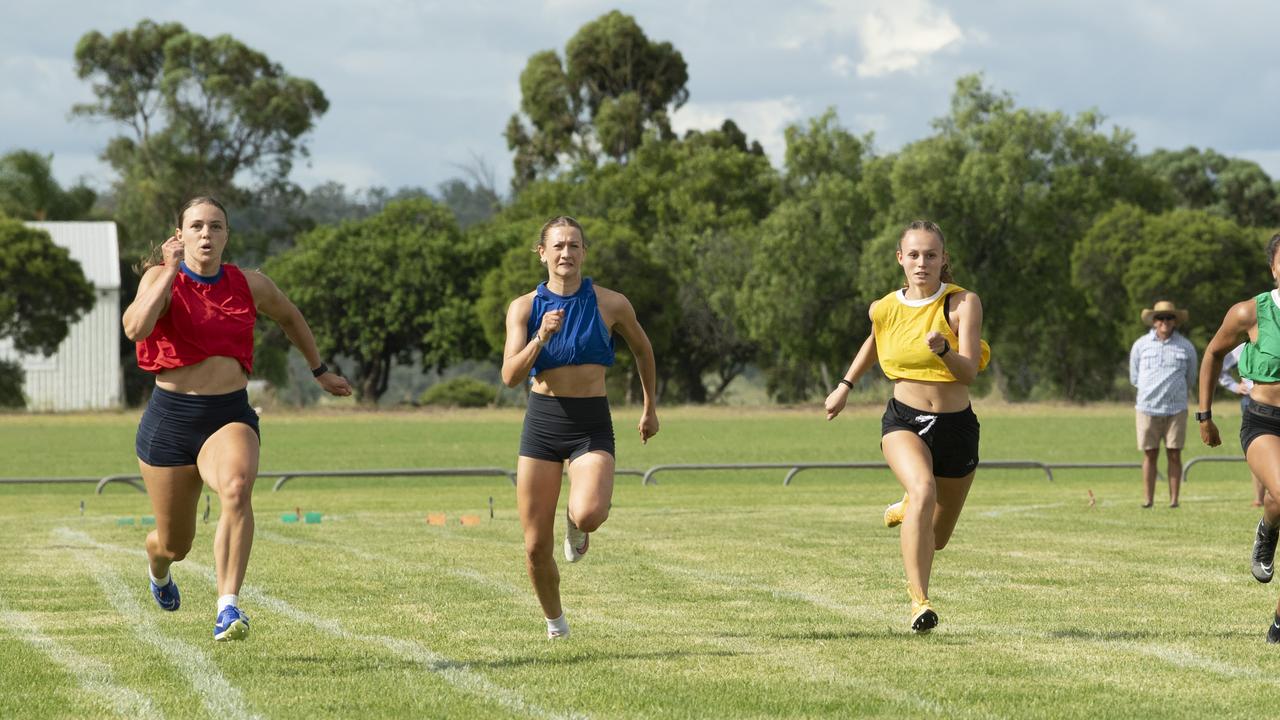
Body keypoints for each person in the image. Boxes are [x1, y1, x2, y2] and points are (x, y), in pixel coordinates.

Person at [122, 196, 352, 641]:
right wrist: (169, 271)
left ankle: (228, 606)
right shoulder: (159, 278)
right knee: (175, 544)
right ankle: (158, 566)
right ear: (180, 234)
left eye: (216, 227)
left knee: (236, 488)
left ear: (227, 235)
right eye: (196, 227)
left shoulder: (250, 284)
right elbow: (135, 329)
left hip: (227, 415)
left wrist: (318, 369)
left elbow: (289, 316)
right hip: (169, 421)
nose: (206, 234)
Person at [824, 220, 989, 633]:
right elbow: (876, 338)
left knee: (936, 539)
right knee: (922, 489)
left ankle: (906, 509)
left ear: (943, 259)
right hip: (904, 419)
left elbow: (968, 372)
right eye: (913, 255)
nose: (922, 263)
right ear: (900, 258)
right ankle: (920, 602)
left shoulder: (962, 304)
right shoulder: (884, 307)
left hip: (957, 426)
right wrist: (845, 386)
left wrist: (945, 350)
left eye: (931, 255)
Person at [500, 216, 659, 639]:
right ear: (542, 253)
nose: (566, 253)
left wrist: (649, 407)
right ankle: (556, 625)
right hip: (543, 423)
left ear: (584, 253)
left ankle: (576, 522)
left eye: (574, 246)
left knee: (589, 513)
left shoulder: (612, 304)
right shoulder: (524, 308)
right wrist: (540, 338)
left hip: (590, 423)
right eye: (558, 246)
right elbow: (510, 377)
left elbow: (643, 352)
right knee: (535, 547)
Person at [1199, 232, 1280, 642]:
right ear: (1273, 267)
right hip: (1264, 421)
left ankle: (1268, 527)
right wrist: (1205, 416)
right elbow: (1213, 354)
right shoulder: (1250, 312)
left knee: (1277, 499)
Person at [1130, 301, 1197, 508]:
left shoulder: (1186, 346)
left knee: (1174, 453)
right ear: (1153, 321)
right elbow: (1134, 376)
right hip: (1147, 408)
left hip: (1176, 409)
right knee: (1149, 453)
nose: (1165, 322)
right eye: (1160, 318)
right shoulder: (1140, 345)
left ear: (1175, 321)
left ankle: (1174, 500)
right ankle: (1148, 499)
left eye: (1169, 318)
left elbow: (1191, 378)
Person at [1220, 342, 1268, 506]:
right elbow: (1219, 366)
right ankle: (1259, 498)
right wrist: (1234, 386)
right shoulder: (1241, 347)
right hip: (1251, 399)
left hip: (1274, 398)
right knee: (1257, 450)